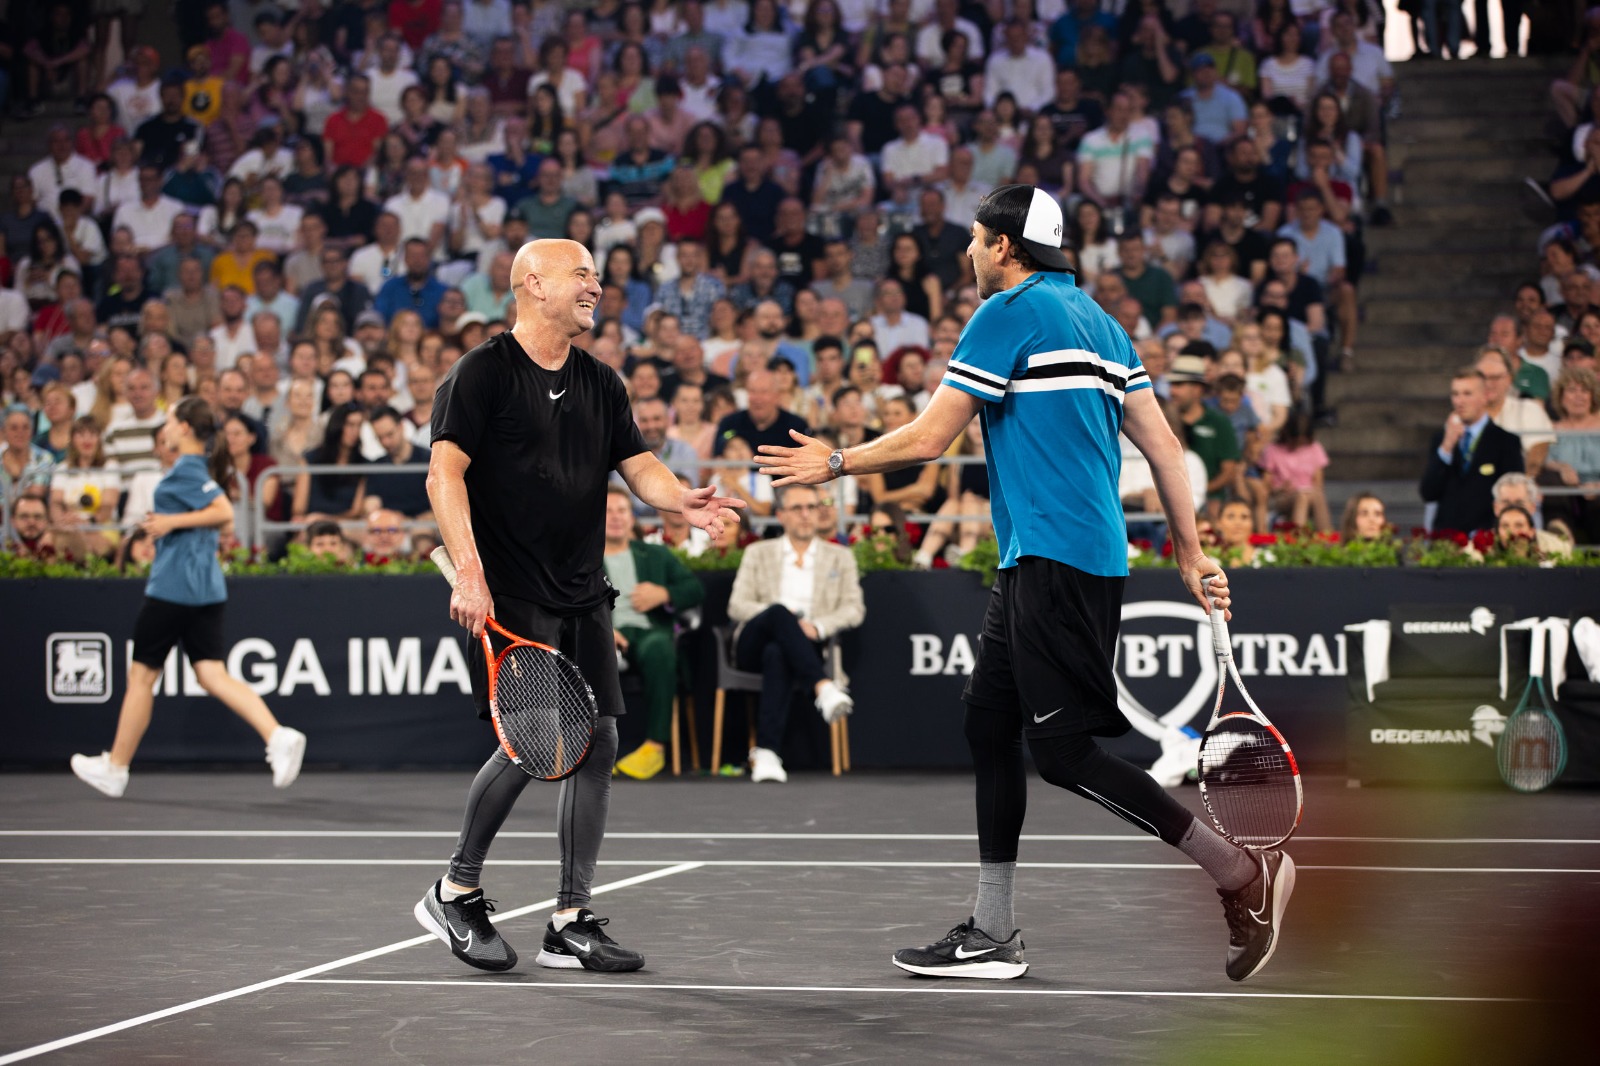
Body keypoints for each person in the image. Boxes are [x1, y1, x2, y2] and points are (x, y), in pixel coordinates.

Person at [757, 185, 1287, 985]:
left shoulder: (1006, 312)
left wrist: (835, 462)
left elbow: (931, 438)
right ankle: (993, 931)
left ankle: (1241, 873)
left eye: (975, 239)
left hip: (1054, 559)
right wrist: (1189, 552)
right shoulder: (1102, 324)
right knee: (988, 724)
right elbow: (1164, 448)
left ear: (1005, 247)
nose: (968, 252)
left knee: (1065, 754)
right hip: (1054, 559)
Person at [413, 238, 743, 974]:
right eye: (582, 274)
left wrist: (681, 501)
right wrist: (469, 574)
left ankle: (569, 919)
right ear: (534, 283)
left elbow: (640, 465)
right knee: (533, 744)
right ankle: (454, 890)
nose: (596, 285)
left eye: (596, 275)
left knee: (597, 742)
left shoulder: (600, 381)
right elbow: (443, 476)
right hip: (511, 592)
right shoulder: (481, 373)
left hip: (583, 589)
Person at [69, 401, 307, 799]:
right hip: (205, 589)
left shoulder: (188, 469)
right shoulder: (197, 468)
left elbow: (224, 514)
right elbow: (220, 516)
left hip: (172, 590)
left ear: (182, 427)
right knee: (211, 674)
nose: (164, 427)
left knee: (142, 678)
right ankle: (277, 735)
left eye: (168, 420)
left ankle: (116, 768)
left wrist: (170, 522)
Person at [726, 482, 863, 783]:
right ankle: (823, 687)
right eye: (797, 508)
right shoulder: (758, 553)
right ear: (781, 515)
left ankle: (767, 753)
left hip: (806, 645)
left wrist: (819, 626)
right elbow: (737, 605)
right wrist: (780, 618)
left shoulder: (840, 557)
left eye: (811, 507)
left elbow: (854, 609)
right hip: (752, 644)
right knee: (779, 613)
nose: (805, 514)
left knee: (778, 653)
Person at [603, 486, 706, 781]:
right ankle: (593, 749)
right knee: (590, 649)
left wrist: (664, 593)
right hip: (606, 635)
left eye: (622, 510)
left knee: (661, 646)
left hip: (649, 633)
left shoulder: (656, 554)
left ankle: (655, 747)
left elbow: (695, 589)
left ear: (632, 517)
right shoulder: (584, 559)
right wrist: (603, 629)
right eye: (608, 511)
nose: (615, 517)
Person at [1420, 367, 1525, 534]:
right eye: (1455, 394)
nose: (1459, 401)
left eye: (1467, 394)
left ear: (1485, 396)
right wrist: (1446, 447)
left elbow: (1513, 497)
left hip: (1488, 539)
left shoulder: (1506, 441)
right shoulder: (1441, 440)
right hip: (1447, 540)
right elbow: (1428, 492)